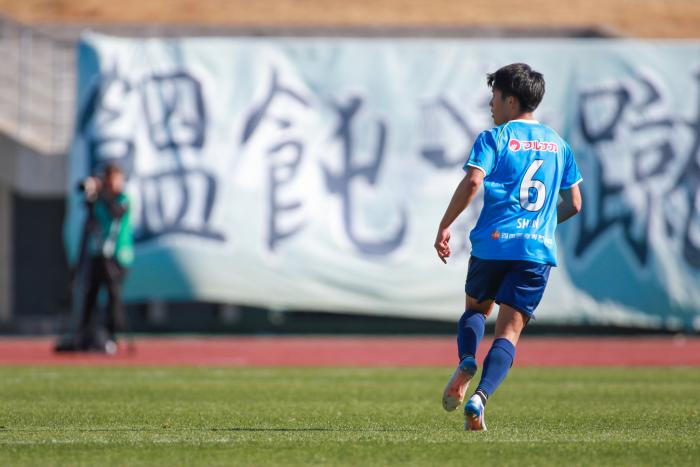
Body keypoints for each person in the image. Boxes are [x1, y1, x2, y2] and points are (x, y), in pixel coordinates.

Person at [435, 63, 582, 431]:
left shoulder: (495, 138)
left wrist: (445, 224)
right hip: (535, 251)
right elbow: (575, 203)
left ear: (511, 100)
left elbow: (473, 182)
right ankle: (480, 398)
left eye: (495, 96)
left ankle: (466, 359)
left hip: (494, 245)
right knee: (509, 333)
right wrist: (541, 225)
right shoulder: (559, 145)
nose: (491, 104)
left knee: (475, 310)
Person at [75, 163, 134, 354]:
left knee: (113, 295)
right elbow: (91, 218)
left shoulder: (123, 199)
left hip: (118, 255)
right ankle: (85, 333)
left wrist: (102, 194)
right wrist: (93, 198)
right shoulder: (100, 200)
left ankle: (112, 335)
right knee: (90, 294)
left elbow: (116, 212)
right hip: (98, 253)